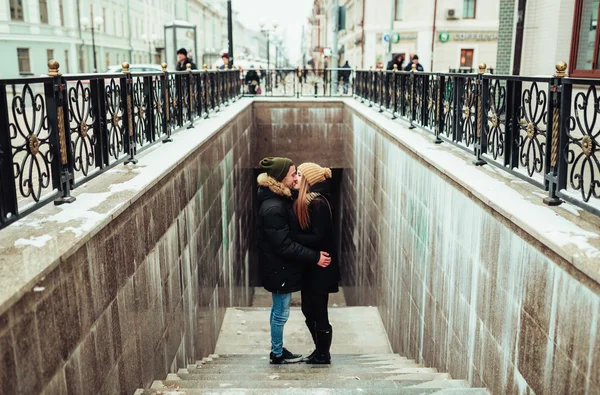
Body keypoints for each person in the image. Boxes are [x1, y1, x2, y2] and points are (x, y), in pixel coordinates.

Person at [257, 157, 332, 365]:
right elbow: (283, 244)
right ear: (281, 178)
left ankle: (280, 350)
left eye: (298, 173)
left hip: (281, 268)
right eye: (292, 173)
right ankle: (277, 353)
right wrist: (314, 256)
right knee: (281, 313)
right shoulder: (274, 206)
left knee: (282, 311)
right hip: (278, 269)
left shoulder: (283, 199)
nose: (295, 177)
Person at [291, 163, 340, 365]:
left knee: (319, 311)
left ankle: (323, 354)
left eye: (299, 174)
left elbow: (320, 237)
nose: (295, 177)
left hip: (322, 267)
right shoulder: (306, 201)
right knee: (307, 310)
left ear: (308, 181)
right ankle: (319, 349)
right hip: (312, 266)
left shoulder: (318, 203)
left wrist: (294, 238)